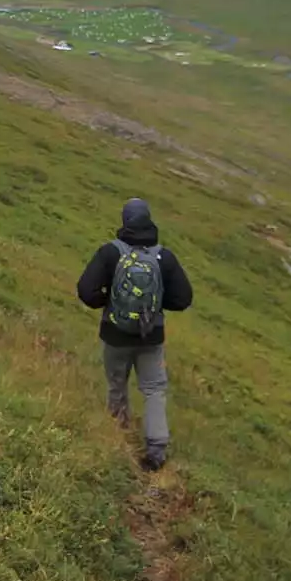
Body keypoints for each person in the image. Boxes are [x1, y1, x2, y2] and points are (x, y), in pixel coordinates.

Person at [76, 197, 193, 470]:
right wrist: (154, 306)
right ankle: (156, 451)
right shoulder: (164, 257)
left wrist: (109, 304)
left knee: (117, 384)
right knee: (154, 390)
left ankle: (118, 433)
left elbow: (86, 290)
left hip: (115, 334)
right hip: (151, 336)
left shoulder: (110, 252)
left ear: (125, 220)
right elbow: (184, 298)